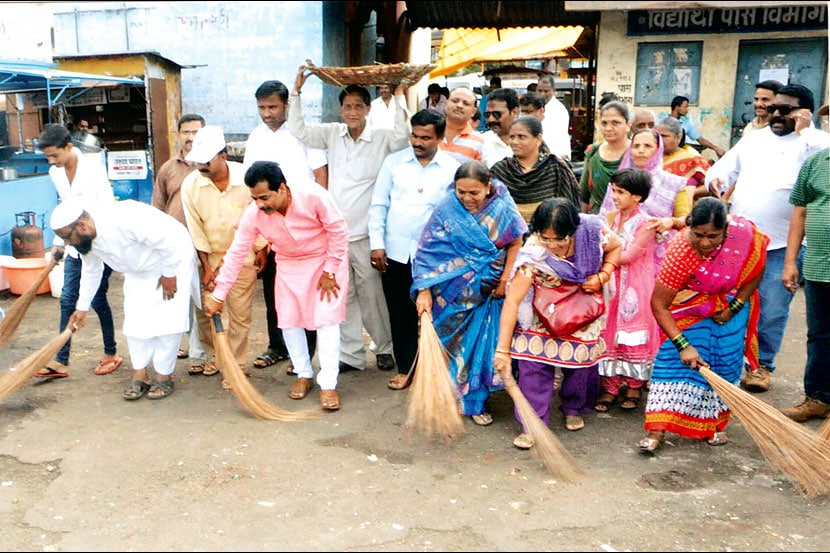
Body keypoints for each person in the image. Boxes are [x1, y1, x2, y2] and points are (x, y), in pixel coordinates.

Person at [706, 83, 829, 393]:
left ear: (803, 113)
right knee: (732, 303)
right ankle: (729, 360)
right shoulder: (753, 140)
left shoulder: (816, 143)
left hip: (784, 247)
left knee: (773, 309)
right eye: (773, 107)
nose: (775, 114)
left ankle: (762, 366)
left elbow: (821, 158)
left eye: (785, 109)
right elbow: (724, 168)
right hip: (741, 242)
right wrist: (715, 180)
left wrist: (804, 132)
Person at [289, 65, 409, 373]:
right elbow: (298, 130)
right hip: (335, 234)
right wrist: (297, 91)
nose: (352, 111)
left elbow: (403, 138)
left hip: (367, 234)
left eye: (358, 106)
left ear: (368, 109)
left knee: (372, 295)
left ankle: (384, 348)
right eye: (347, 106)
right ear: (340, 109)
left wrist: (398, 96)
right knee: (344, 295)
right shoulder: (332, 133)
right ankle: (352, 356)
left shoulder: (382, 138)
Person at [203, 161, 350, 411]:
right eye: (254, 198)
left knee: (326, 323)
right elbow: (237, 253)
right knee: (290, 323)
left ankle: (328, 384)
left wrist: (330, 270)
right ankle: (304, 374)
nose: (260, 204)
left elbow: (339, 231)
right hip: (288, 266)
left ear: (282, 188)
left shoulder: (313, 195)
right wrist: (219, 295)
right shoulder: (254, 214)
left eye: (264, 197)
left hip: (325, 264)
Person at [638, 198, 769, 453]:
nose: (706, 243)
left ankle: (714, 425)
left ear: (726, 231)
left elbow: (757, 271)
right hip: (689, 307)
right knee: (671, 362)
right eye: (699, 235)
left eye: (714, 236)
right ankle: (657, 430)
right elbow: (659, 304)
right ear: (689, 228)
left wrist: (735, 306)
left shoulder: (744, 235)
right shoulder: (680, 251)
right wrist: (683, 345)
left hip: (731, 305)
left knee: (724, 364)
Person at [493, 198, 622, 448]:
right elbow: (512, 301)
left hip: (582, 312)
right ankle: (532, 424)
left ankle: (573, 407)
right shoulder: (532, 253)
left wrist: (602, 275)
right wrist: (503, 349)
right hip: (542, 314)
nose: (553, 246)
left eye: (560, 239)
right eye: (546, 238)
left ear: (573, 230)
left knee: (579, 367)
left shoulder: (593, 232)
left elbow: (616, 248)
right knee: (533, 367)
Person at [49, 199, 198, 401]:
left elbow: (168, 241)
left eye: (67, 237)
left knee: (168, 321)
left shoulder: (123, 218)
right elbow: (92, 270)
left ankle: (164, 376)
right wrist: (82, 307)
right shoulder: (85, 240)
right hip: (137, 271)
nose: (67, 243)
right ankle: (140, 375)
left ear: (82, 226)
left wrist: (170, 273)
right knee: (136, 322)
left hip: (171, 260)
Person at [413, 161, 527, 424]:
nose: (466, 198)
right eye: (461, 192)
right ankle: (450, 396)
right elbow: (428, 253)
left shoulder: (502, 207)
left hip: (489, 293)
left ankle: (474, 402)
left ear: (488, 187)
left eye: (473, 193)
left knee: (481, 348)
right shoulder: (446, 209)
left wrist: (505, 282)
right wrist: (424, 292)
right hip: (450, 296)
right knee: (452, 348)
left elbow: (516, 242)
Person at [368, 110, 459, 390]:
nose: (417, 142)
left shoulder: (452, 169)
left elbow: (455, 214)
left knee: (438, 313)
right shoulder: (394, 163)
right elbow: (379, 204)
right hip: (396, 252)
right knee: (400, 313)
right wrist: (377, 245)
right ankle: (406, 368)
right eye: (414, 135)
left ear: (440, 138)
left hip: (435, 257)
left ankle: (440, 371)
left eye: (425, 137)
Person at [242, 79, 327, 372]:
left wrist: (321, 222)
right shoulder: (255, 138)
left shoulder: (303, 132)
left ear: (286, 105)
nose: (267, 113)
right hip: (271, 223)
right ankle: (277, 346)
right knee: (275, 291)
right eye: (262, 108)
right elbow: (251, 187)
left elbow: (321, 176)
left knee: (309, 292)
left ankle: (306, 353)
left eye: (272, 107)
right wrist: (260, 242)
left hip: (305, 222)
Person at [182, 125, 266, 385]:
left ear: (224, 155)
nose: (201, 167)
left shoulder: (245, 180)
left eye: (206, 161)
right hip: (209, 255)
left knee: (240, 314)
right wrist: (206, 266)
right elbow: (195, 228)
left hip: (242, 256)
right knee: (208, 312)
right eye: (198, 162)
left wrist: (262, 247)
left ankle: (237, 365)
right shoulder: (191, 185)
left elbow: (261, 213)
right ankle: (216, 357)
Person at [37, 123, 121, 379]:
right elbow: (66, 206)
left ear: (69, 147)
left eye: (55, 155)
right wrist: (59, 242)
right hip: (74, 244)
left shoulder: (93, 169)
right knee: (66, 299)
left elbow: (106, 206)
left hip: (98, 240)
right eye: (48, 157)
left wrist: (96, 236)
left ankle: (111, 352)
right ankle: (61, 360)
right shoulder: (55, 173)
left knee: (96, 299)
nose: (52, 161)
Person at [596, 168, 660, 413]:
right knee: (609, 331)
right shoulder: (611, 218)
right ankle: (611, 386)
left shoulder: (646, 223)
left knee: (633, 333)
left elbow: (629, 255)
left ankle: (634, 385)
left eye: (621, 192)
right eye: (614, 190)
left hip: (635, 285)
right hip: (612, 284)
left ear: (638, 197)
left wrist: (604, 253)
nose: (615, 196)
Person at [599, 128, 694, 272]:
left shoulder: (673, 183)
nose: (640, 150)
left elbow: (686, 218)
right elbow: (603, 219)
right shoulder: (618, 183)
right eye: (636, 146)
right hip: (615, 257)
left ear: (658, 150)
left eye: (647, 146)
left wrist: (671, 222)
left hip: (657, 258)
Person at [780, 147, 830, 421]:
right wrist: (790, 262)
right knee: (819, 335)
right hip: (818, 266)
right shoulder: (816, 163)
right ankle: (818, 398)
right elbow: (799, 212)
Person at [151, 113, 206, 363]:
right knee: (177, 297)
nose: (191, 137)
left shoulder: (208, 165)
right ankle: (181, 344)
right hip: (175, 244)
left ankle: (201, 350)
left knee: (202, 296)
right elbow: (158, 207)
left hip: (204, 243)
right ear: (179, 135)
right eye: (186, 132)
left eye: (196, 132)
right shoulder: (168, 168)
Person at [489, 116, 579, 222]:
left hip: (548, 236)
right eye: (512, 137)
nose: (515, 142)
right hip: (509, 236)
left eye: (521, 137)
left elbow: (569, 210)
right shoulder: (500, 170)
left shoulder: (556, 169)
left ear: (538, 139)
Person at [579, 101, 632, 214]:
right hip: (598, 221)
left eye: (615, 123)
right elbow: (584, 195)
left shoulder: (636, 152)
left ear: (628, 125)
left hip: (630, 223)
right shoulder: (593, 152)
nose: (608, 128)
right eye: (604, 123)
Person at [656, 116, 711, 202]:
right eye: (657, 135)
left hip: (684, 210)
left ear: (678, 137)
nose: (659, 139)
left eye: (664, 136)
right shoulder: (651, 157)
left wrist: (689, 192)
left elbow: (711, 186)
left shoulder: (692, 159)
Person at [439, 87, 484, 164]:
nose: (459, 105)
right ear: (446, 104)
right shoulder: (430, 133)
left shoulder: (480, 143)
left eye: (466, 103)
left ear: (473, 111)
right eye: (455, 101)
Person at [536, 74, 571, 162]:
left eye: (546, 91)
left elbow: (559, 136)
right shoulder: (536, 107)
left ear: (553, 91)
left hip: (556, 157)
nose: (542, 94)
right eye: (540, 90)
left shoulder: (559, 110)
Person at [481, 87, 520, 168]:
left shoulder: (531, 142)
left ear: (514, 112)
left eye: (496, 114)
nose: (491, 119)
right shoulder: (482, 142)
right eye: (487, 115)